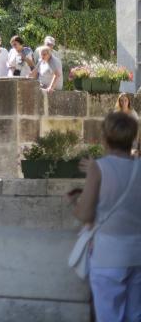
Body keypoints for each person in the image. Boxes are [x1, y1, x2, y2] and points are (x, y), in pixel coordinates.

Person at [70, 112, 141, 322]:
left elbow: (85, 214)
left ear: (106, 136)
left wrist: (74, 202)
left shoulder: (99, 168)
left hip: (108, 254)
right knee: (135, 314)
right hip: (137, 252)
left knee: (109, 315)